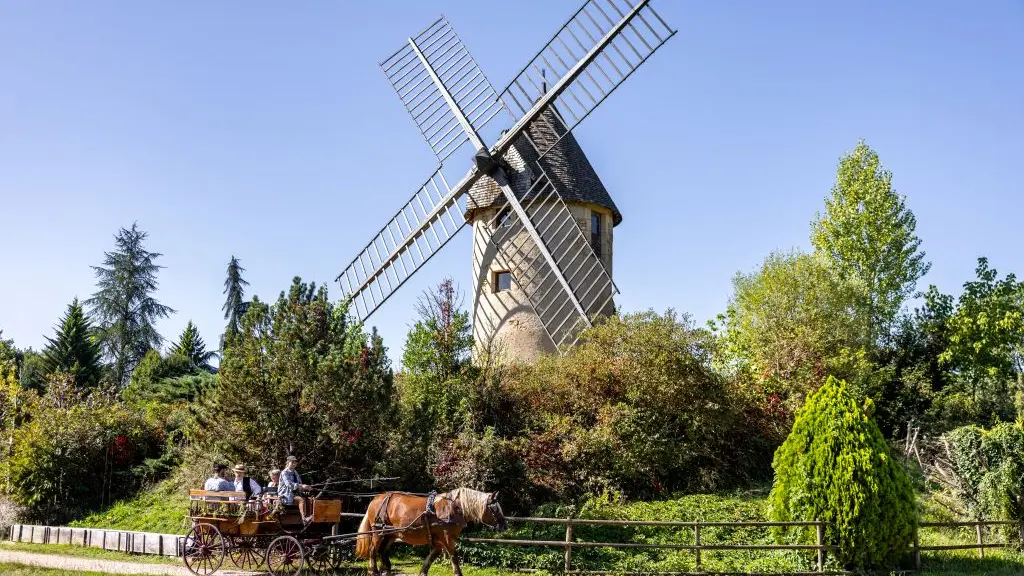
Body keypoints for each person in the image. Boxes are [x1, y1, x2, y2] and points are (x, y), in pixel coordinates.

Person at [279, 455, 313, 523]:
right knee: (301, 500)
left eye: (295, 463)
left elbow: (299, 483)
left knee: (310, 499)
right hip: (286, 494)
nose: (294, 464)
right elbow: (289, 484)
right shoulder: (284, 473)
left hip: (295, 493)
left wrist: (306, 487)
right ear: (288, 463)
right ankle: (304, 518)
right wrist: (302, 486)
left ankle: (309, 516)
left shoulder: (295, 472)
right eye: (292, 462)